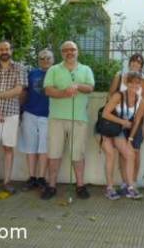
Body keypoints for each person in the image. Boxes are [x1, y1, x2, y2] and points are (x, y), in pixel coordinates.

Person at [41, 41, 94, 200]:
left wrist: (77, 85)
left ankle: (80, 185)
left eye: (73, 49)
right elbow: (48, 90)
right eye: (66, 50)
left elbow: (90, 88)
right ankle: (51, 186)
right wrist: (64, 93)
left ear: (78, 51)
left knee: (78, 154)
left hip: (78, 119)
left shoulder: (86, 69)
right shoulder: (53, 69)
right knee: (54, 153)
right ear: (62, 53)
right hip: (56, 118)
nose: (69, 52)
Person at [0, 41, 27, 195]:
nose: (4, 51)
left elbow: (19, 89)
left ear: (11, 51)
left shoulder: (20, 68)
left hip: (12, 113)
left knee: (9, 148)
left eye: (7, 49)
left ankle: (7, 181)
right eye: (1, 49)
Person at [101, 71, 144, 200]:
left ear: (140, 85)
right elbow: (105, 114)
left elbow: (136, 122)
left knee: (130, 154)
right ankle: (109, 188)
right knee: (110, 154)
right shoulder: (118, 96)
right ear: (127, 83)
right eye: (132, 82)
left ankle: (130, 187)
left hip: (117, 131)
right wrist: (123, 122)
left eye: (137, 83)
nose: (134, 85)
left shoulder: (141, 101)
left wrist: (130, 138)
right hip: (105, 128)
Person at [108, 53, 144, 195]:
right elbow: (110, 96)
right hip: (120, 120)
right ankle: (125, 183)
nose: (135, 64)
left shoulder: (143, 81)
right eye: (133, 61)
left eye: (139, 63)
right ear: (129, 63)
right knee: (122, 152)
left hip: (136, 121)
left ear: (141, 66)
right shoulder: (119, 77)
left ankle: (133, 182)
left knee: (135, 152)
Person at [19, 49, 54, 191]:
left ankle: (41, 178)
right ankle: (32, 177)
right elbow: (24, 93)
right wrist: (21, 111)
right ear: (38, 60)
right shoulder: (32, 73)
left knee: (44, 148)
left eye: (48, 58)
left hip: (48, 115)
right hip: (30, 114)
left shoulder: (56, 73)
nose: (45, 60)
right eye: (42, 58)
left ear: (53, 59)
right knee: (30, 147)